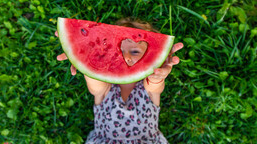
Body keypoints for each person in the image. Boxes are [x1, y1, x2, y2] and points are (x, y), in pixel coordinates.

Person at [56, 17, 184, 143]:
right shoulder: (105, 88)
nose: (126, 56)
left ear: (150, 54)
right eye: (119, 51)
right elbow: (95, 82)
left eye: (134, 51)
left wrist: (157, 77)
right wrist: (84, 57)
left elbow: (155, 86)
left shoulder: (148, 89)